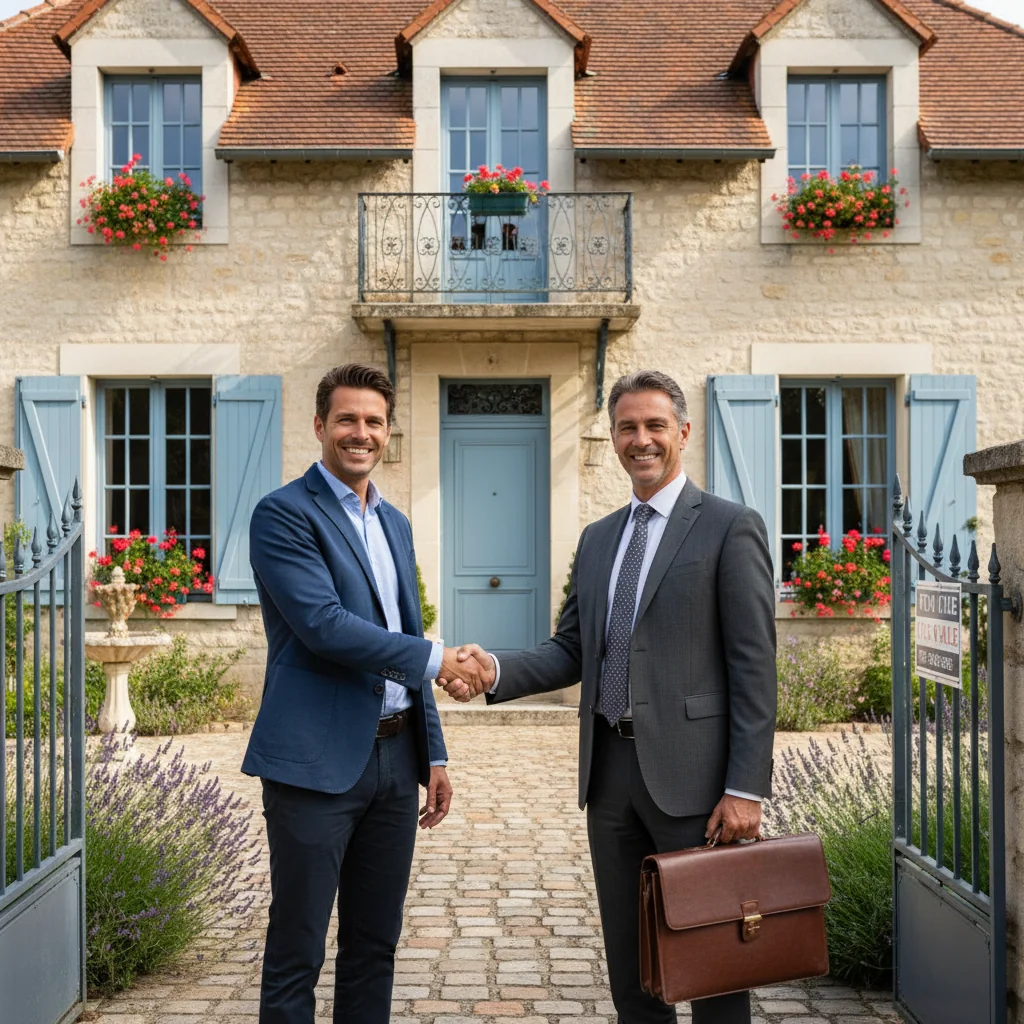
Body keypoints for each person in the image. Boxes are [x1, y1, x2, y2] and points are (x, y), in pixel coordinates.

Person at [441, 369, 777, 1024]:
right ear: (615, 437)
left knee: (713, 968)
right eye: (628, 427)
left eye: (655, 426)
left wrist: (745, 787)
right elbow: (570, 649)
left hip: (698, 784)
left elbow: (754, 667)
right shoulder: (600, 539)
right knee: (634, 970)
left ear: (683, 432)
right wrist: (493, 673)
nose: (641, 440)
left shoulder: (730, 528)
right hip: (610, 780)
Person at [242, 363, 492, 1024]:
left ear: (388, 432)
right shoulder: (283, 515)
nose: (361, 433)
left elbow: (404, 634)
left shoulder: (395, 523)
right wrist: (440, 658)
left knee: (374, 945)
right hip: (313, 766)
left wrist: (431, 753)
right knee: (297, 949)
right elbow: (325, 626)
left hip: (392, 761)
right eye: (347, 419)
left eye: (374, 421)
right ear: (320, 425)